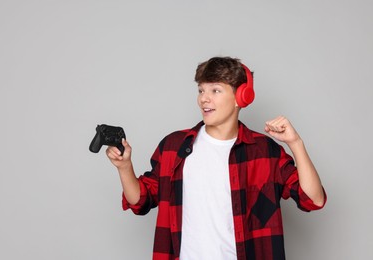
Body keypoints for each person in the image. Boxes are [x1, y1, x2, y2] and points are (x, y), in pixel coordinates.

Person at [106, 56, 326, 260]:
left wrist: (295, 144)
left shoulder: (263, 151)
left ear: (242, 97)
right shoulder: (174, 146)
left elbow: (313, 200)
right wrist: (124, 167)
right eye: (201, 90)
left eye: (215, 90)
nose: (204, 99)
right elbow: (141, 201)